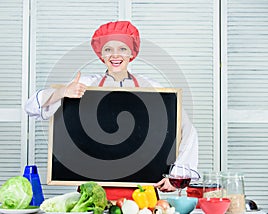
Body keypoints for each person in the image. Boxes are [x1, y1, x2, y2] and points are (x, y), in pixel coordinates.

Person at [25, 20, 198, 197]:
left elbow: (187, 129)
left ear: (132, 53)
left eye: (122, 49)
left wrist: (178, 175)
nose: (115, 55)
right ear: (101, 54)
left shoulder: (151, 86)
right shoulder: (86, 83)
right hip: (93, 192)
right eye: (108, 49)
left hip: (143, 194)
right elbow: (31, 107)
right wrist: (63, 91)